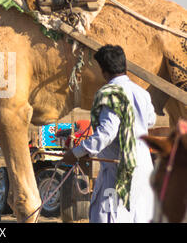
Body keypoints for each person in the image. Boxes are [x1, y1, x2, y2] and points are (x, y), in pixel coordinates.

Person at [62, 45, 156, 223]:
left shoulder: (109, 94)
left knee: (108, 216)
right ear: (124, 66)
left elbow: (106, 132)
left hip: (118, 172)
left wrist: (75, 153)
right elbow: (150, 120)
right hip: (143, 169)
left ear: (103, 72)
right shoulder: (142, 93)